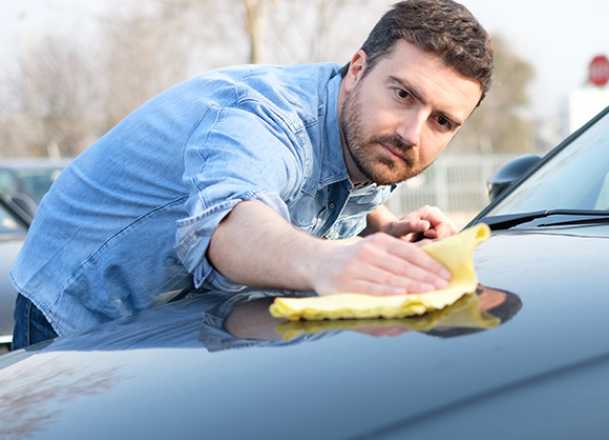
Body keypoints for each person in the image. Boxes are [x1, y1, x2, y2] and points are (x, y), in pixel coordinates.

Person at [9, 0, 494, 351]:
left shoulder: (370, 133)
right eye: (404, 95)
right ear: (357, 69)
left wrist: (383, 231)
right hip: (79, 305)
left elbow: (340, 187)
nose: (413, 133)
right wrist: (330, 262)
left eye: (442, 121)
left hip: (184, 317)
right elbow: (231, 224)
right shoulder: (262, 119)